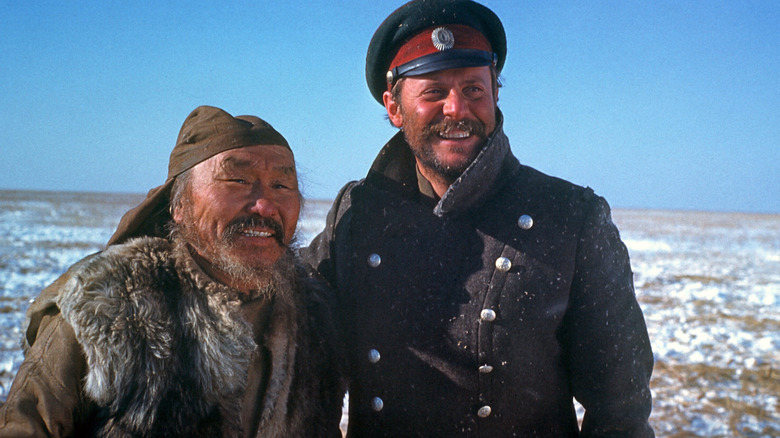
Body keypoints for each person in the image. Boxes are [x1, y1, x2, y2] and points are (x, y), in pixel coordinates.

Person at [301, 0, 655, 436]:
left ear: (495, 95)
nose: (458, 109)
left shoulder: (570, 217)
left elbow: (621, 408)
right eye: (434, 93)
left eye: (473, 89)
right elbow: (291, 322)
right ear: (394, 108)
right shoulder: (356, 216)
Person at [0, 105, 344, 437]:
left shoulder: (314, 316)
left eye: (282, 186)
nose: (266, 205)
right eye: (237, 180)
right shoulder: (108, 302)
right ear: (179, 205)